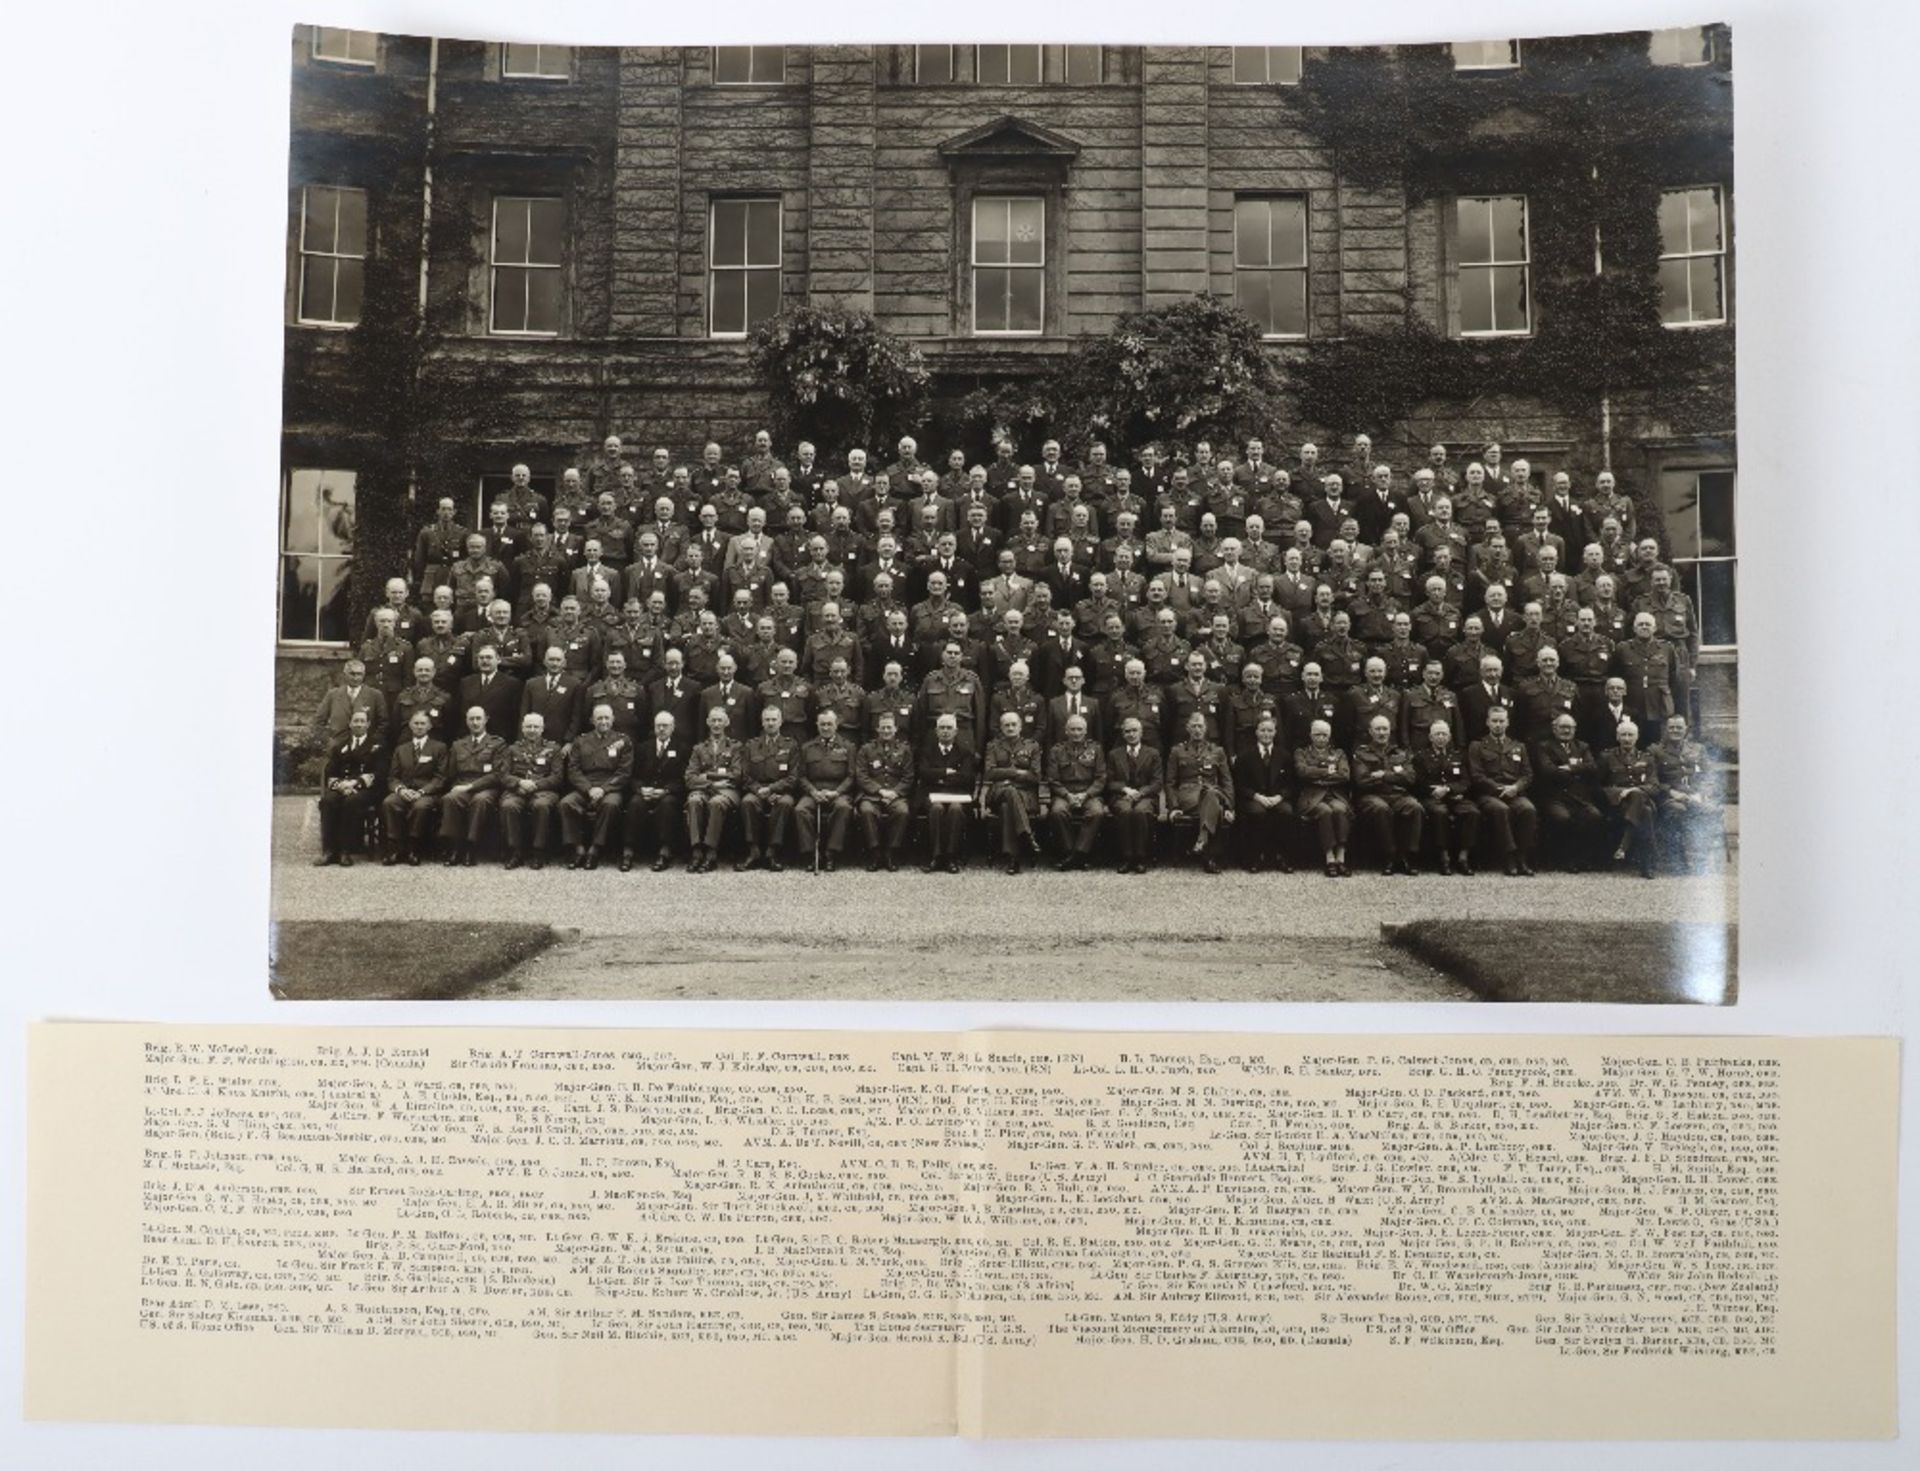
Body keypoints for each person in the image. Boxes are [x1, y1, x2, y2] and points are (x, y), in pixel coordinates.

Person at [1467, 705, 1538, 876]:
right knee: (1501, 809)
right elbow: (1477, 775)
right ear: (1487, 723)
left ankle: (1522, 857)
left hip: (1514, 792)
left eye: (1501, 721)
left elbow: (1528, 774)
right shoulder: (1477, 746)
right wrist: (1499, 789)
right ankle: (1509, 857)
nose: (1498, 725)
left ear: (1508, 723)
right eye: (1494, 721)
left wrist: (1516, 787)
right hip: (1489, 794)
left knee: (1528, 809)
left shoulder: (1518, 746)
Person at [1531, 711, 1607, 870]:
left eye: (1570, 728)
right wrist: (1579, 771)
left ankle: (1582, 859)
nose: (1567, 731)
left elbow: (1593, 768)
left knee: (1594, 816)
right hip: (1554, 797)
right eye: (1563, 727)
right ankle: (1563, 859)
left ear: (1575, 729)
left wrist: (1569, 767)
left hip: (1579, 797)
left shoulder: (1582, 746)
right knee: (1562, 818)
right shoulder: (1543, 746)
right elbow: (1547, 771)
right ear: (1554, 728)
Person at [435, 705, 507, 866]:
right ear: (466, 722)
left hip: (487, 787)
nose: (475, 723)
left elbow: (498, 774)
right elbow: (451, 772)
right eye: (471, 719)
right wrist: (457, 787)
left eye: (478, 718)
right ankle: (455, 847)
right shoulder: (458, 745)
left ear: (486, 720)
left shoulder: (497, 744)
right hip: (462, 785)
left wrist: (471, 787)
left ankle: (471, 847)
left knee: (480, 801)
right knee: (450, 799)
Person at [1352, 713, 1423, 876]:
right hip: (1371, 796)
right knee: (1381, 808)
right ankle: (1389, 856)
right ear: (1370, 731)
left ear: (1390, 731)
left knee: (1415, 807)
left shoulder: (1400, 752)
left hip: (1398, 795)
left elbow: (1411, 777)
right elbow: (1362, 780)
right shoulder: (1361, 753)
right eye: (1377, 729)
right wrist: (1396, 777)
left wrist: (1384, 775)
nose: (1381, 733)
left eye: (1385, 729)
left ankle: (1407, 856)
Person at [314, 708, 384, 867]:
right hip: (342, 786)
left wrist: (355, 783)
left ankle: (346, 851)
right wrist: (341, 786)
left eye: (362, 721)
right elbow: (331, 772)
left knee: (351, 802)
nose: (359, 724)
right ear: (350, 724)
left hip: (366, 789)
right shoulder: (341, 745)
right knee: (327, 801)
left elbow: (379, 773)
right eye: (356, 721)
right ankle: (329, 851)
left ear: (368, 724)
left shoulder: (377, 746)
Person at [1652, 713, 1721, 871]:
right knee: (1678, 810)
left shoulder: (1698, 749)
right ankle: (1677, 859)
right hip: (1670, 798)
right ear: (1665, 729)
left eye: (1679, 727)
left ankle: (1701, 859)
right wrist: (1671, 792)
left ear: (1686, 729)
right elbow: (1652, 780)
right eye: (1671, 727)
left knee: (1710, 811)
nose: (1675, 730)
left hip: (1695, 795)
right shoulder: (1656, 750)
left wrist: (1704, 793)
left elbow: (1709, 774)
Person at [1166, 711, 1232, 873]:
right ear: (1187, 728)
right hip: (1188, 797)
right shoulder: (1177, 751)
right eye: (1194, 726)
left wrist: (1231, 807)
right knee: (1215, 805)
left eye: (1200, 726)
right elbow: (1170, 783)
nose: (1197, 730)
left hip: (1213, 794)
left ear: (1206, 728)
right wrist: (1174, 807)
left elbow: (1226, 781)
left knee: (1210, 794)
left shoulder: (1217, 751)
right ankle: (1209, 858)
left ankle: (1202, 840)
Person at [623, 710, 689, 873]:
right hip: (646, 791)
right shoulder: (643, 747)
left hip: (669, 794)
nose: (661, 729)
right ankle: (629, 850)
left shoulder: (682, 748)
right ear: (654, 727)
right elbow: (633, 776)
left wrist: (666, 790)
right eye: (658, 726)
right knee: (635, 803)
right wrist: (640, 789)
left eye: (665, 726)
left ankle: (665, 851)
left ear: (673, 727)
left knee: (667, 805)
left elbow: (684, 779)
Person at [380, 710, 448, 866]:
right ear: (410, 725)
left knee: (420, 806)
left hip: (427, 793)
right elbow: (392, 777)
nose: (419, 727)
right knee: (389, 802)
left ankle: (413, 848)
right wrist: (401, 790)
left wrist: (422, 792)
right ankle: (394, 848)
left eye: (423, 723)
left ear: (429, 726)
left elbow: (441, 777)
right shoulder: (401, 749)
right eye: (416, 723)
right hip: (404, 791)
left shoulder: (439, 748)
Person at [497, 712, 564, 870]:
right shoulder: (512, 749)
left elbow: (557, 777)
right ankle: (515, 852)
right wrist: (519, 782)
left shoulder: (553, 749)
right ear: (522, 728)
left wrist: (535, 784)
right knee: (509, 806)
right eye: (528, 726)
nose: (532, 730)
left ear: (542, 728)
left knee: (541, 805)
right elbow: (503, 775)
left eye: (536, 726)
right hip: (517, 790)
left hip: (544, 790)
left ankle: (538, 851)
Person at [682, 705, 744, 873]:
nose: (716, 724)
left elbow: (737, 775)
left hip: (728, 791)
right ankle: (696, 851)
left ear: (727, 722)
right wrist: (712, 782)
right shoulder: (699, 748)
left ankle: (711, 854)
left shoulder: (735, 747)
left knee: (716, 803)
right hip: (706, 789)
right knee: (693, 801)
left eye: (720, 720)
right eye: (713, 720)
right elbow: (689, 778)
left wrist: (707, 776)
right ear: (708, 722)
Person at [1231, 712, 1294, 873]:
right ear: (1256, 732)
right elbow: (1239, 784)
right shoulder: (1245, 756)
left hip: (1276, 798)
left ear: (1275, 732)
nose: (1266, 734)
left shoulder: (1284, 755)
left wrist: (1279, 797)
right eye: (1263, 730)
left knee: (1286, 812)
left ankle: (1281, 856)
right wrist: (1257, 796)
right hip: (1253, 798)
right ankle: (1256, 857)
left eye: (1270, 730)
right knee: (1258, 813)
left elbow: (1291, 784)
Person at [794, 709, 856, 873]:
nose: (826, 727)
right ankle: (811, 855)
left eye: (829, 724)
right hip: (813, 791)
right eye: (822, 724)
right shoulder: (807, 747)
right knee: (801, 810)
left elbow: (851, 776)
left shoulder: (848, 747)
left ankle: (830, 853)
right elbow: (801, 776)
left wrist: (836, 792)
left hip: (838, 792)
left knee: (843, 808)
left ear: (836, 726)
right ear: (817, 725)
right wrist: (813, 791)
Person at [738, 704, 799, 871]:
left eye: (774, 719)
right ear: (762, 722)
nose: (770, 723)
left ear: (781, 722)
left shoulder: (790, 745)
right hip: (757, 791)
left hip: (780, 791)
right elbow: (744, 776)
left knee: (785, 803)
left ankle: (772, 852)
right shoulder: (751, 745)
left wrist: (772, 789)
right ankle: (754, 851)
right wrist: (760, 790)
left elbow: (793, 777)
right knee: (747, 802)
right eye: (767, 720)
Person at [983, 709, 1045, 874]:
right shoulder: (993, 746)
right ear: (1001, 728)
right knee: (1009, 792)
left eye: (1013, 724)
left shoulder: (1032, 746)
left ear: (1020, 726)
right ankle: (1027, 835)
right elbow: (989, 772)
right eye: (1006, 725)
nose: (1010, 728)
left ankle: (1013, 859)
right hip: (998, 792)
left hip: (1025, 795)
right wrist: (1017, 773)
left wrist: (1006, 774)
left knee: (1006, 806)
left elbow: (1036, 776)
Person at [1413, 718, 1478, 875]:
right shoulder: (1421, 757)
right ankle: (1444, 858)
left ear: (1449, 737)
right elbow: (1417, 781)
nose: (1440, 737)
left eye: (1444, 734)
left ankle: (1463, 858)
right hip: (1432, 797)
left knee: (1472, 812)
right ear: (1430, 737)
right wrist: (1432, 791)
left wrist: (1449, 789)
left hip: (1454, 796)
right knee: (1439, 813)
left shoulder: (1458, 755)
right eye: (1437, 734)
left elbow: (1465, 780)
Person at [1601, 718, 1663, 878]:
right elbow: (1599, 785)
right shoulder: (1607, 757)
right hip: (1619, 804)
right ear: (1617, 737)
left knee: (1639, 798)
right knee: (1646, 812)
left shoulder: (1647, 758)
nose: (1627, 739)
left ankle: (1623, 846)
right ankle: (1647, 864)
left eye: (1630, 735)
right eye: (1623, 735)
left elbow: (1654, 786)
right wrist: (1620, 793)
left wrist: (1634, 790)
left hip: (1639, 801)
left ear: (1637, 737)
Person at [854, 708, 915, 871]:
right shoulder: (866, 749)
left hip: (896, 795)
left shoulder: (905, 749)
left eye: (889, 727)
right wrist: (880, 791)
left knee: (902, 811)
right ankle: (875, 853)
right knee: (866, 811)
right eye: (883, 728)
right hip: (872, 795)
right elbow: (861, 776)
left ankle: (890, 853)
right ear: (877, 729)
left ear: (896, 729)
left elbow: (908, 776)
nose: (886, 731)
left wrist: (894, 793)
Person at [1045, 713, 1108, 871]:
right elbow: (1052, 779)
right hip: (1064, 793)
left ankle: (1078, 854)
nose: (1076, 733)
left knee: (1096, 812)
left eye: (1079, 729)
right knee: (1058, 812)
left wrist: (1086, 795)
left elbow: (1101, 777)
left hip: (1089, 793)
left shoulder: (1096, 749)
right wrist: (1067, 795)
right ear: (1066, 731)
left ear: (1085, 731)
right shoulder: (1056, 750)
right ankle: (1070, 852)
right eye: (1072, 729)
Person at [918, 712, 977, 873]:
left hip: (958, 795)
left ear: (956, 732)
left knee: (956, 809)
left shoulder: (965, 752)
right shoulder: (927, 751)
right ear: (936, 731)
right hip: (932, 794)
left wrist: (936, 776)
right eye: (942, 728)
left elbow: (966, 778)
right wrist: (945, 772)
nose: (945, 731)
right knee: (936, 808)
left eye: (949, 728)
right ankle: (936, 856)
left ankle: (951, 856)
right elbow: (923, 773)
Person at [1105, 715, 1163, 875]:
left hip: (1146, 796)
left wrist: (1141, 792)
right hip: (1121, 796)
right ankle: (1126, 857)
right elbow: (1108, 782)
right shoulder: (1114, 754)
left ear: (1141, 732)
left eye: (1134, 730)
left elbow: (1157, 782)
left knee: (1140, 812)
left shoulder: (1153, 753)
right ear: (1123, 734)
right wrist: (1125, 789)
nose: (1131, 734)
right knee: (1125, 812)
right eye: (1127, 731)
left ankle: (1140, 857)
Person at [1294, 719, 1352, 877]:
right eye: (1317, 734)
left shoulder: (1338, 753)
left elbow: (1344, 775)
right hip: (1311, 797)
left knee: (1340, 809)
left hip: (1334, 795)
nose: (1321, 738)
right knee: (1325, 811)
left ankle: (1341, 856)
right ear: (1310, 735)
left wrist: (1318, 774)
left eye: (1325, 735)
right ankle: (1329, 858)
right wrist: (1328, 772)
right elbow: (1302, 772)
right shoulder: (1302, 752)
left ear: (1330, 736)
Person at [311, 658, 388, 745]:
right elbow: (318, 721)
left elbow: (384, 723)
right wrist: (327, 741)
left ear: (364, 675)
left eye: (359, 674)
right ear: (345, 675)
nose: (356, 678)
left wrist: (373, 742)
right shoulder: (333, 695)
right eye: (352, 674)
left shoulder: (375, 695)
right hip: (337, 747)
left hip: (364, 748)